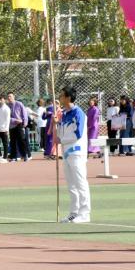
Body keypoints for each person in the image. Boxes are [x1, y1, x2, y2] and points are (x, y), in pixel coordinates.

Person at [57, 88, 91, 223]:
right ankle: (74, 212)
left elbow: (78, 134)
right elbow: (60, 134)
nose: (59, 97)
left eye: (61, 95)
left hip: (77, 152)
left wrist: (61, 140)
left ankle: (85, 213)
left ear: (68, 97)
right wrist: (56, 123)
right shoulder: (64, 113)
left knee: (80, 183)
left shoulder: (78, 113)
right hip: (66, 153)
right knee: (71, 185)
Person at [6, 92, 29, 161]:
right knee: (12, 141)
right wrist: (14, 120)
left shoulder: (19, 104)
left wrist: (25, 122)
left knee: (21, 140)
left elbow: (24, 113)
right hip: (12, 125)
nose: (9, 98)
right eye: (8, 96)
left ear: (14, 97)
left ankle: (24, 155)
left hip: (19, 125)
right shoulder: (7, 106)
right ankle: (13, 156)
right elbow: (7, 117)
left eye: (10, 96)